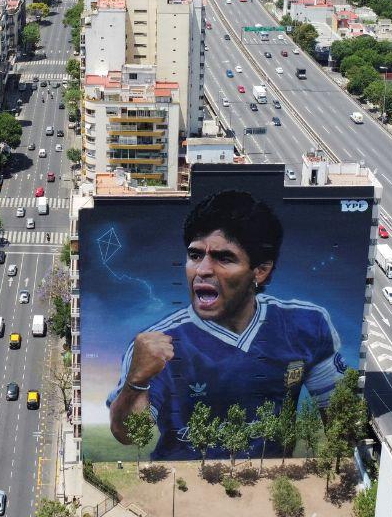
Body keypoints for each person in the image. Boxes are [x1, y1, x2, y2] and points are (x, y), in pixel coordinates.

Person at [107, 189, 344, 461]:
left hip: (271, 485)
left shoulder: (307, 324)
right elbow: (129, 436)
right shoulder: (157, 344)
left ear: (260, 270)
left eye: (224, 257)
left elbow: (338, 418)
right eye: (195, 255)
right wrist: (137, 382)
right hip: (185, 489)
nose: (203, 270)